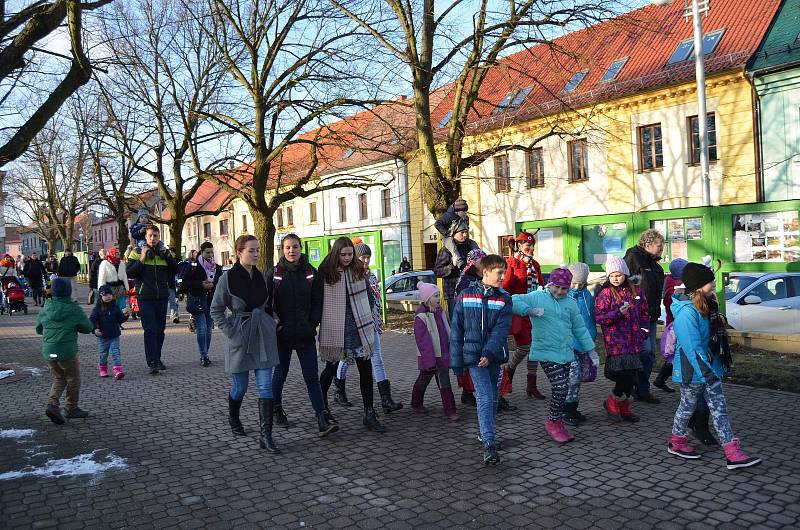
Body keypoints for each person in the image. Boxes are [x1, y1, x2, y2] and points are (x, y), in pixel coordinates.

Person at [667, 262, 761, 470]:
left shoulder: (706, 306)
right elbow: (693, 349)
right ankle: (682, 442)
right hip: (695, 371)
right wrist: (709, 374)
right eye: (710, 281)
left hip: (708, 368)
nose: (714, 284)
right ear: (699, 286)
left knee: (713, 409)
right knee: (690, 407)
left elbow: (710, 338)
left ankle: (725, 450)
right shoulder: (687, 313)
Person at [511, 267, 598, 445]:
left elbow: (579, 328)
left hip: (565, 353)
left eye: (564, 288)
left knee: (563, 389)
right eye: (556, 287)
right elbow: (512, 300)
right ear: (550, 284)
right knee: (560, 387)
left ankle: (558, 421)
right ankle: (552, 421)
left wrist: (591, 350)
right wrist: (529, 310)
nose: (559, 291)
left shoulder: (571, 303)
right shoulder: (538, 296)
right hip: (545, 353)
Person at [211, 235, 281, 452]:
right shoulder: (227, 278)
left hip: (262, 334)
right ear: (238, 253)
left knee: (265, 386)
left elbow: (267, 303)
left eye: (258, 250)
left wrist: (273, 321)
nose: (256, 254)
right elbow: (216, 310)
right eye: (251, 250)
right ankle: (234, 419)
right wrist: (232, 332)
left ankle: (266, 436)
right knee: (240, 387)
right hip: (240, 335)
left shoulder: (261, 276)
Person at [265, 234, 337, 438]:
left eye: (295, 247)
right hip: (283, 335)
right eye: (287, 247)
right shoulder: (274, 273)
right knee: (280, 375)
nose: (291, 251)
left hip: (305, 334)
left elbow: (318, 300)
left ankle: (321, 417)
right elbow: (267, 304)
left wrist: (312, 323)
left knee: (311, 377)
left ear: (300, 248)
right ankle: (276, 408)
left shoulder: (310, 272)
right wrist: (277, 325)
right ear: (282, 249)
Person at [317, 237, 386, 433]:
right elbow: (319, 299)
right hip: (335, 328)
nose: (347, 258)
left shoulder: (358, 270)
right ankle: (322, 410)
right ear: (336, 253)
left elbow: (370, 296)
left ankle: (369, 413)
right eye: (344, 254)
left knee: (365, 369)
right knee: (329, 369)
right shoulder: (326, 272)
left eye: (350, 254)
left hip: (359, 327)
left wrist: (367, 314)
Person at [450, 254, 512, 465]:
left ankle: (486, 432)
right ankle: (489, 443)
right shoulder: (466, 295)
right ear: (485, 272)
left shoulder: (504, 298)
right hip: (472, 358)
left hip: (493, 357)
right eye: (499, 273)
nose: (503, 277)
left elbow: (500, 331)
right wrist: (457, 363)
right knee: (485, 396)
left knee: (494, 397)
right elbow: (456, 331)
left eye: (504, 272)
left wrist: (488, 353)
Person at [333, 243, 403, 414]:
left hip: (372, 325)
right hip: (355, 328)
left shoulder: (371, 277)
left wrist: (378, 322)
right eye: (362, 257)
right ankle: (339, 389)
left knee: (377, 359)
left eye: (367, 257)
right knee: (346, 358)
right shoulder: (349, 276)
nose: (365, 260)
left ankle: (386, 399)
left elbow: (376, 302)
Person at [594, 257, 648, 424]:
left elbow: (645, 313)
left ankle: (623, 405)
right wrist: (617, 312)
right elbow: (599, 317)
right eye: (612, 275)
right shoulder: (606, 293)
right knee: (623, 374)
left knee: (631, 375)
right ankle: (613, 400)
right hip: (616, 341)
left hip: (634, 340)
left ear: (625, 274)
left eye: (619, 275)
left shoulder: (636, 291)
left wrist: (643, 331)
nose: (616, 278)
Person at [35, 277, 94, 424]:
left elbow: (38, 329)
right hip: (66, 352)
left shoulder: (46, 307)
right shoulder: (73, 309)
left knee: (59, 378)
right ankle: (71, 408)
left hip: (49, 351)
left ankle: (52, 404)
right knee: (73, 379)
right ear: (69, 291)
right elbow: (88, 328)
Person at [501, 231, 547, 402]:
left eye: (532, 245)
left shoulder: (535, 264)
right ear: (519, 246)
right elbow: (505, 287)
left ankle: (531, 385)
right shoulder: (511, 263)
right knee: (525, 347)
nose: (531, 248)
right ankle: (509, 370)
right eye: (528, 245)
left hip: (535, 311)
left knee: (534, 348)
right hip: (520, 311)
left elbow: (541, 284)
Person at [126, 225, 177, 375]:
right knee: (150, 330)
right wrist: (142, 258)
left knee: (160, 330)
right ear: (145, 237)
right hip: (145, 297)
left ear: (159, 236)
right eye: (150, 236)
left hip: (161, 296)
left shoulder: (164, 252)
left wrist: (167, 256)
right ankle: (152, 361)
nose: (153, 238)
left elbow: (175, 270)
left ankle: (157, 358)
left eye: (155, 235)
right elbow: (130, 272)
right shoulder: (136, 252)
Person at [624, 229, 666, 404]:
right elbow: (624, 283)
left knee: (650, 354)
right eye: (659, 245)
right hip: (637, 316)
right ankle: (633, 387)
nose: (662, 249)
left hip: (651, 315)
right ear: (647, 245)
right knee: (645, 351)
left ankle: (641, 388)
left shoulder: (655, 265)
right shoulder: (634, 258)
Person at [411, 282, 458, 420]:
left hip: (442, 356)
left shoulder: (440, 313)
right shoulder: (421, 317)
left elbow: (447, 333)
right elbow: (423, 343)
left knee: (445, 382)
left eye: (439, 295)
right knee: (423, 380)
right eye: (435, 296)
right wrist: (430, 361)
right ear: (427, 299)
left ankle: (450, 410)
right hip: (430, 358)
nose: (439, 298)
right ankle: (416, 402)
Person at [433, 198, 480, 318]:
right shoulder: (446, 250)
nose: (465, 235)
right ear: (455, 233)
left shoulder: (469, 246)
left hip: (471, 291)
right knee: (457, 323)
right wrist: (451, 266)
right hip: (453, 292)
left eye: (466, 232)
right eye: (461, 233)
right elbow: (437, 271)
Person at [450, 248, 485, 407]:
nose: (484, 263)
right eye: (481, 260)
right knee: (469, 360)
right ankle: (468, 392)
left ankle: (468, 392)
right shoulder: (466, 280)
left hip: (480, 323)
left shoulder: (480, 276)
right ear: (472, 262)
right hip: (468, 324)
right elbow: (461, 304)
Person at [563, 262, 597, 425]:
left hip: (583, 342)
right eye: (574, 283)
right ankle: (565, 410)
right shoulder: (564, 296)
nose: (576, 287)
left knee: (579, 379)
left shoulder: (587, 296)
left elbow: (589, 319)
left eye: (581, 284)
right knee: (572, 377)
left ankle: (573, 407)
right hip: (568, 344)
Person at [181, 242, 222, 367]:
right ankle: (204, 355)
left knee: (209, 329)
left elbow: (220, 284)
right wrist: (201, 285)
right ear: (201, 252)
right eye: (207, 252)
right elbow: (185, 283)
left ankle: (206, 353)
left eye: (211, 252)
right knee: (202, 328)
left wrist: (213, 285)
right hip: (198, 300)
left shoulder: (217, 267)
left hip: (211, 300)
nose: (209, 255)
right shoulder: (194, 266)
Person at [652, 258, 687, 394]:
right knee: (678, 353)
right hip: (677, 325)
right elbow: (678, 306)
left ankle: (660, 379)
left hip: (675, 323)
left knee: (677, 353)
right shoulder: (676, 288)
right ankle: (662, 379)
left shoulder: (672, 283)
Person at [90, 285, 130, 380]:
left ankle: (118, 370)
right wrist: (94, 329)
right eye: (105, 295)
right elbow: (92, 320)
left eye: (110, 294)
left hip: (114, 335)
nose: (108, 296)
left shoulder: (115, 306)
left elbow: (120, 319)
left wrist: (126, 315)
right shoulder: (97, 309)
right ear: (101, 296)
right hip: (103, 336)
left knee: (115, 352)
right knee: (103, 353)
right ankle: (103, 369)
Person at [98, 247, 129, 313]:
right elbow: (101, 278)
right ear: (112, 253)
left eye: (118, 253)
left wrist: (127, 288)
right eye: (116, 253)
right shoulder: (104, 264)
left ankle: (120, 320)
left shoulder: (121, 263)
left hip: (120, 289)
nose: (118, 255)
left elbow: (124, 276)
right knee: (111, 308)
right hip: (110, 289)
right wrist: (101, 290)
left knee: (122, 308)